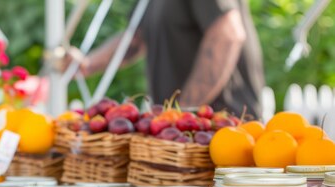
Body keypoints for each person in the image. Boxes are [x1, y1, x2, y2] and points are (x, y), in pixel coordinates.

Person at [77, 0, 264, 117]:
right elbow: (135, 39)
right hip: (181, 137)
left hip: (222, 131)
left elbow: (227, 34)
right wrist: (85, 64)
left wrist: (182, 114)